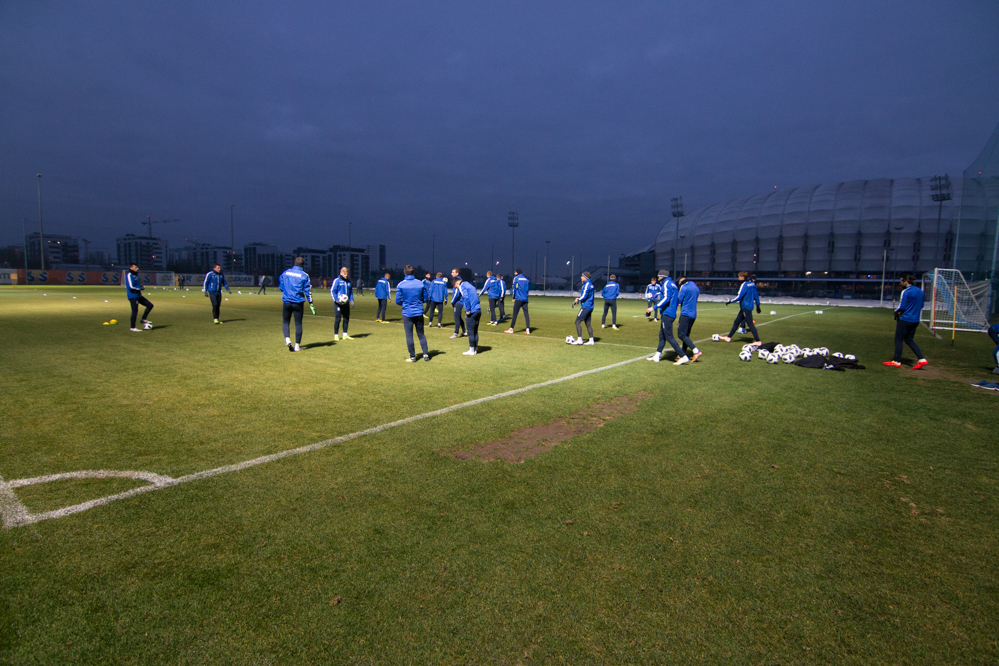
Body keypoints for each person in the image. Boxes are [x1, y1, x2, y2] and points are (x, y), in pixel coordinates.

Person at [885, 275, 928, 369]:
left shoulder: (906, 291)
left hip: (905, 319)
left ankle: (896, 361)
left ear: (905, 281)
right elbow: (921, 305)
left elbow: (902, 306)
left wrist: (896, 312)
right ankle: (921, 359)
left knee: (899, 339)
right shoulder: (920, 291)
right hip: (916, 320)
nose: (900, 283)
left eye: (901, 281)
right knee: (909, 340)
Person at [647, 271, 690, 365]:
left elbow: (666, 298)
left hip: (667, 314)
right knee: (662, 336)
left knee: (669, 336)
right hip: (670, 312)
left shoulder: (666, 284)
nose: (658, 278)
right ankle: (657, 356)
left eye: (658, 276)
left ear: (662, 276)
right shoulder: (672, 284)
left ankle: (683, 356)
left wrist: (653, 308)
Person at [396, 265, 430, 362]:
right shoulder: (420, 284)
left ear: (404, 272)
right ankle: (425, 354)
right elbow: (426, 298)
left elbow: (397, 300)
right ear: (413, 272)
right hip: (419, 312)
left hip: (407, 313)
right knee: (421, 334)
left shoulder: (401, 285)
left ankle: (412, 356)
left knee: (409, 335)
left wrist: (405, 303)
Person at [279, 257, 314, 352]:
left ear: (294, 263)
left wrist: (286, 292)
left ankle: (287, 339)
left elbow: (281, 286)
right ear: (303, 265)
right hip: (298, 302)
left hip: (286, 301)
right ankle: (297, 346)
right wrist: (310, 302)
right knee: (298, 323)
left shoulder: (286, 272)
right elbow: (307, 290)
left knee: (285, 322)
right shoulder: (304, 275)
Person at [719, 271, 761, 345]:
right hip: (747, 307)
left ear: (742, 277)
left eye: (739, 276)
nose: (738, 278)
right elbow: (756, 296)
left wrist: (730, 301)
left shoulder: (744, 285)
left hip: (745, 307)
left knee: (750, 324)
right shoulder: (753, 285)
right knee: (736, 322)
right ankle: (728, 337)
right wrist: (758, 306)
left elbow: (740, 296)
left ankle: (758, 341)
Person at [676, 276, 702, 362]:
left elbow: (679, 300)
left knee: (681, 335)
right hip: (693, 314)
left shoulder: (684, 286)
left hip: (685, 313)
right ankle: (682, 353)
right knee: (686, 334)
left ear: (681, 281)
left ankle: (696, 351)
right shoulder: (696, 287)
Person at [455, 274, 482, 355]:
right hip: (478, 310)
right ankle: (475, 349)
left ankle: (471, 350)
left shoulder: (462, 286)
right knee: (475, 331)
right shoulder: (470, 285)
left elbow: (466, 298)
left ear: (457, 283)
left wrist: (467, 310)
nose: (457, 289)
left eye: (456, 287)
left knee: (470, 331)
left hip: (472, 311)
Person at [125, 263, 154, 332]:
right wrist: (140, 288)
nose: (137, 268)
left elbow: (136, 285)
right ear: (131, 268)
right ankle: (132, 327)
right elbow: (131, 287)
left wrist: (140, 287)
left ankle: (143, 319)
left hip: (138, 296)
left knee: (150, 305)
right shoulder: (129, 275)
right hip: (133, 296)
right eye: (135, 267)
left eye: (137, 267)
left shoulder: (136, 276)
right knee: (135, 311)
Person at [571, 271, 596, 345]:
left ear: (586, 277)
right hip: (590, 306)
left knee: (577, 321)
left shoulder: (587, 285)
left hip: (586, 307)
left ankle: (579, 339)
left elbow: (584, 295)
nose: (581, 277)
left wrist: (578, 300)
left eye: (582, 276)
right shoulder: (590, 284)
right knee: (588, 323)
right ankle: (591, 340)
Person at [330, 266, 354, 341]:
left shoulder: (349, 282)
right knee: (338, 319)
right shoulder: (337, 280)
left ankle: (345, 334)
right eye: (344, 274)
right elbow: (332, 291)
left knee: (346, 319)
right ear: (341, 273)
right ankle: (336, 335)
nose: (346, 275)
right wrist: (336, 300)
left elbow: (350, 293)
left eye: (347, 274)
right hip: (338, 304)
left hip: (346, 304)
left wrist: (352, 300)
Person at [505, 269, 531, 334]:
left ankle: (511, 329)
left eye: (515, 272)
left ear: (517, 272)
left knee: (515, 314)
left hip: (518, 298)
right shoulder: (526, 279)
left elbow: (514, 288)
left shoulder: (516, 278)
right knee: (526, 314)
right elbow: (527, 290)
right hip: (525, 299)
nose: (514, 272)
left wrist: (513, 297)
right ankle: (528, 329)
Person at [450, 268, 466, 339]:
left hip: (458, 302)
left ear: (457, 273)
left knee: (456, 317)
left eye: (453, 272)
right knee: (459, 317)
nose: (451, 273)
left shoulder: (457, 281)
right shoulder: (459, 279)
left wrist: (452, 301)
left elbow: (457, 293)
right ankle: (464, 331)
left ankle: (456, 333)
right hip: (460, 302)